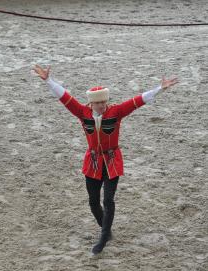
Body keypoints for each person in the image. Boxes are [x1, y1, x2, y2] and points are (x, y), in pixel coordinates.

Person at [33, 65, 178, 254]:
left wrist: (160, 89)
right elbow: (65, 98)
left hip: (112, 161)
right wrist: (48, 81)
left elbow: (137, 101)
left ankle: (103, 238)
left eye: (104, 101)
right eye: (98, 103)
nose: (102, 105)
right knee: (93, 202)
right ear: (91, 104)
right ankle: (106, 230)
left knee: (108, 200)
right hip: (93, 162)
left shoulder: (116, 111)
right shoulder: (82, 112)